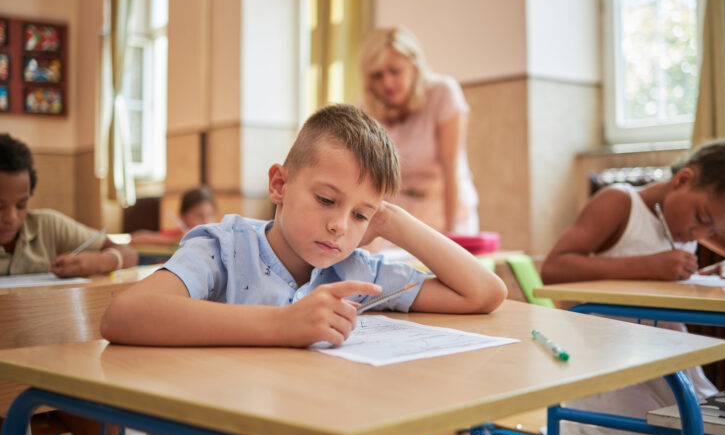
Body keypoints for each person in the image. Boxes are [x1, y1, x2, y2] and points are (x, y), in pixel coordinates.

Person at [100, 103, 507, 348]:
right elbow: (125, 315)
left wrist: (395, 222)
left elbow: (485, 293)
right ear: (280, 184)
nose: (339, 226)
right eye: (327, 200)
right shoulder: (222, 248)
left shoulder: (355, 273)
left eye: (360, 215)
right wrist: (282, 325)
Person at [540, 138, 725, 435]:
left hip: (670, 356)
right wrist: (646, 266)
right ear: (683, 179)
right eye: (702, 220)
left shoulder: (701, 215)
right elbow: (554, 268)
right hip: (611, 359)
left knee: (712, 430)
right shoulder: (620, 202)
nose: (701, 235)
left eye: (714, 232)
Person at [359, 26, 479, 236]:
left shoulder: (443, 93)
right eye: (378, 76)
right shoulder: (365, 110)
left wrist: (452, 235)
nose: (387, 82)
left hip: (444, 208)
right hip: (398, 214)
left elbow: (451, 169)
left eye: (395, 71)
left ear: (414, 67)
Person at [0, 133, 138, 277]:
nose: (11, 218)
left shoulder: (48, 226)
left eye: (21, 205)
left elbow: (130, 254)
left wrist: (97, 262)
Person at [129, 185, 217, 247]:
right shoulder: (178, 236)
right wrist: (174, 241)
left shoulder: (217, 237)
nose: (206, 222)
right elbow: (135, 239)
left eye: (210, 216)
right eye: (199, 216)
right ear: (183, 216)